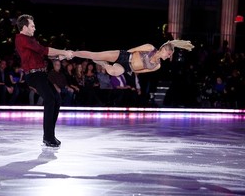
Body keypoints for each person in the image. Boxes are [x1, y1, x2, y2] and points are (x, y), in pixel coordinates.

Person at [15, 14, 73, 148]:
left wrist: (60, 57)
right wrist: (63, 52)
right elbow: (43, 50)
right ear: (24, 27)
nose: (34, 28)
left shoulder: (31, 40)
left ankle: (49, 135)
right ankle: (48, 137)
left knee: (57, 99)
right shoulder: (21, 39)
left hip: (41, 75)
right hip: (34, 76)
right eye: (32, 26)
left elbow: (42, 54)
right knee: (50, 99)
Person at [72, 40, 194, 76]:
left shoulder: (157, 66)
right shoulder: (150, 47)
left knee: (114, 72)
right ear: (163, 50)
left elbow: (140, 71)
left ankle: (103, 64)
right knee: (94, 55)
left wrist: (130, 68)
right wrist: (122, 56)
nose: (169, 57)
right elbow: (133, 49)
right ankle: (72, 53)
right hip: (124, 56)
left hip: (127, 67)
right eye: (169, 54)